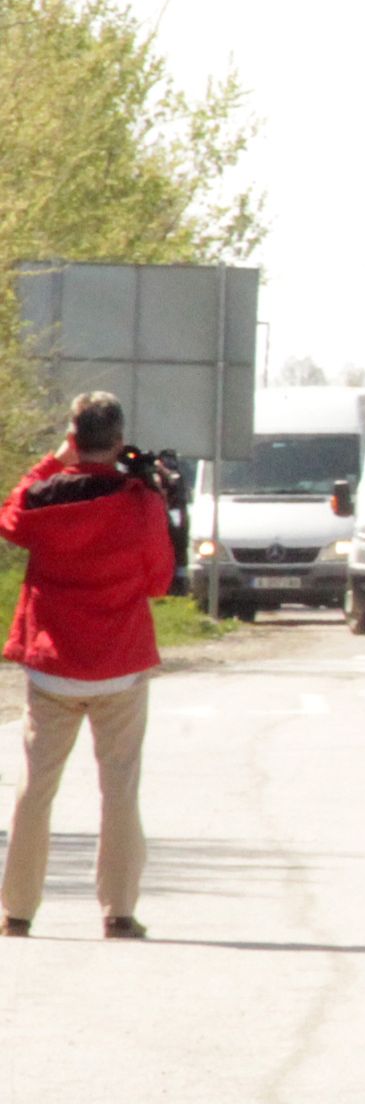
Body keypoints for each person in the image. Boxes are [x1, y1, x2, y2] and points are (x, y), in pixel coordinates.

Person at [3, 392, 179, 940]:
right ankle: (118, 911)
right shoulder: (139, 503)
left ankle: (17, 911)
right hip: (119, 665)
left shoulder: (44, 499)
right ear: (119, 442)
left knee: (36, 788)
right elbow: (159, 581)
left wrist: (51, 461)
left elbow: (9, 517)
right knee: (119, 789)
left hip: (53, 666)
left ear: (74, 438)